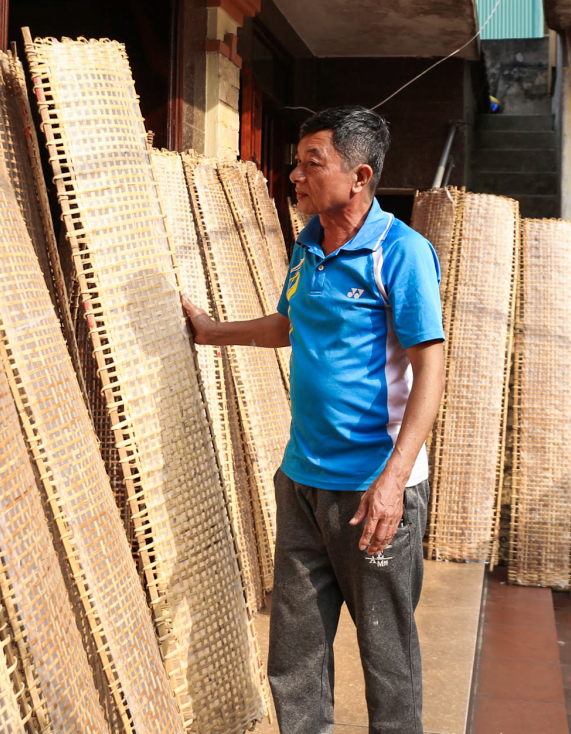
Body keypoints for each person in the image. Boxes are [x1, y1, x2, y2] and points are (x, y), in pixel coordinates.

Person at [182, 106, 445, 734]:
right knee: (295, 649)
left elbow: (431, 371)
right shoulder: (306, 245)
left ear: (358, 176)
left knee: (386, 652)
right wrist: (211, 332)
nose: (294, 175)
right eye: (296, 162)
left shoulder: (400, 253)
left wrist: (393, 481)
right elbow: (289, 323)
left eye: (310, 163)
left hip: (373, 489)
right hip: (302, 479)